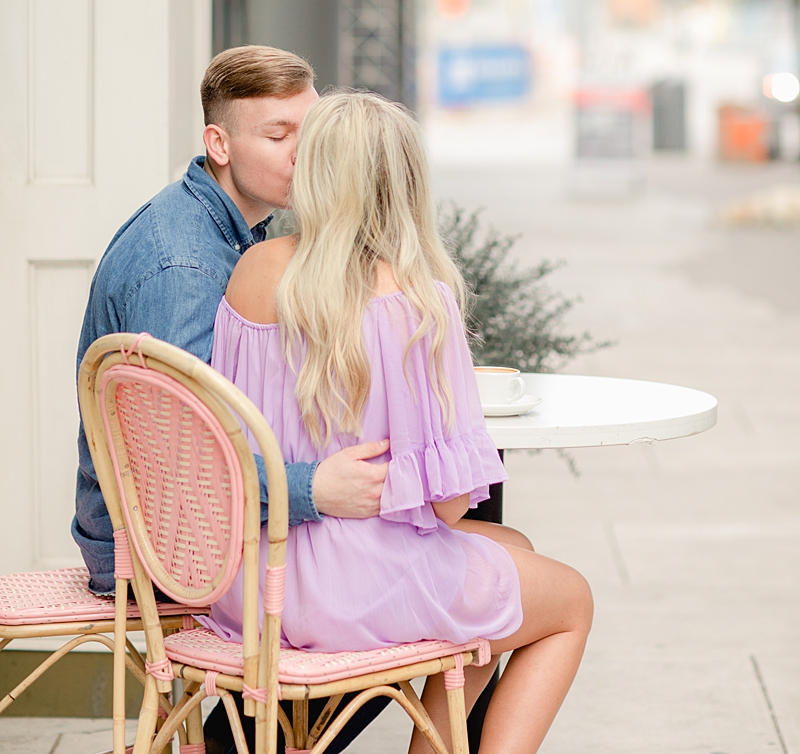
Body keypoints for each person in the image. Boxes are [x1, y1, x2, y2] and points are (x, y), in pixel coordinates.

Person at [209, 91, 594, 754]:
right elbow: (444, 509)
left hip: (251, 584)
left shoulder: (251, 271)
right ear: (407, 185)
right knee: (570, 603)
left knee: (505, 568)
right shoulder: (416, 303)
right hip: (355, 589)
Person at [72, 45, 392, 754]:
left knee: (418, 544)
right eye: (278, 136)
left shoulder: (230, 229)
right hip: (155, 556)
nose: (302, 155)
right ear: (218, 144)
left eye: (311, 135)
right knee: (410, 567)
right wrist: (315, 489)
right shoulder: (186, 265)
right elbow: (181, 473)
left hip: (177, 526)